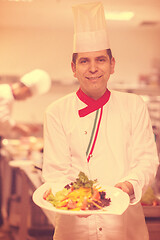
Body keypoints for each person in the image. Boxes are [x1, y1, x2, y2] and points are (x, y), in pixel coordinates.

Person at [42, 2, 159, 240]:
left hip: (124, 222)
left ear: (112, 64)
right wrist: (78, 200)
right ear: (73, 68)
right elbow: (55, 172)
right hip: (74, 224)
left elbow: (147, 159)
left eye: (100, 60)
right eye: (84, 61)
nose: (93, 68)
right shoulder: (56, 111)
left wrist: (129, 185)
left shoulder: (134, 105)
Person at [0, 68, 51, 227]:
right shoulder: (5, 95)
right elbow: (2, 120)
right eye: (28, 95)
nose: (26, 99)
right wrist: (21, 128)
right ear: (25, 89)